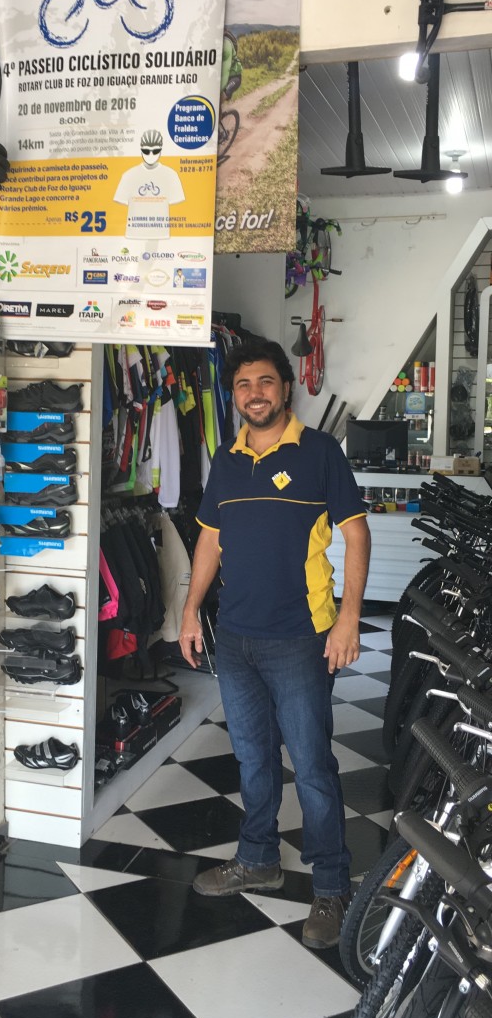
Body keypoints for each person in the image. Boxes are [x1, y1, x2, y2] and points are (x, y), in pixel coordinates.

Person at [179, 338, 370, 949]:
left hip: (301, 637)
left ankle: (332, 886)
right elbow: (210, 540)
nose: (254, 393)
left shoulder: (319, 453)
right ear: (234, 395)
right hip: (236, 637)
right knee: (253, 756)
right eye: (243, 384)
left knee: (311, 765)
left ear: (286, 388)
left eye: (264, 382)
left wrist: (348, 618)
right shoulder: (227, 458)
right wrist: (190, 611)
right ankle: (257, 857)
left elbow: (356, 534)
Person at [220, 28, 242, 104]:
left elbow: (226, 70)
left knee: (220, 98)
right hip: (221, 77)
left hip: (233, 77)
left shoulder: (226, 44)